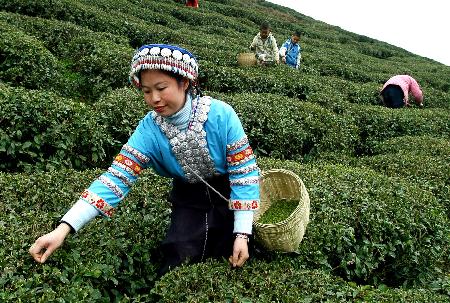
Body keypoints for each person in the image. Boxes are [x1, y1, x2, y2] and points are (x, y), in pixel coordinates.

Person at [29, 43, 260, 276]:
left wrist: (242, 233)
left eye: (161, 87)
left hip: (230, 193)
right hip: (189, 197)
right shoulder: (149, 130)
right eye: (147, 91)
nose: (154, 99)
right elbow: (116, 177)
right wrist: (63, 228)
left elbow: (243, 173)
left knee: (236, 251)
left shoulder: (222, 115)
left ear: (185, 83)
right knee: (180, 253)